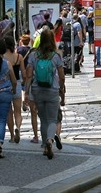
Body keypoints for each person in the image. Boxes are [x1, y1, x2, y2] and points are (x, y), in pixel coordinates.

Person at [25, 30, 65, 159]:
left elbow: (29, 75)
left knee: (42, 119)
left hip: (37, 90)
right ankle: (49, 140)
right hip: (52, 90)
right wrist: (62, 89)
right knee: (52, 119)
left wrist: (26, 91)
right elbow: (62, 76)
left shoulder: (33, 55)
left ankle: (44, 145)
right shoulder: (56, 56)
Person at [4, 36, 26, 144]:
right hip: (16, 84)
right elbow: (23, 72)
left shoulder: (2, 57)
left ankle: (12, 135)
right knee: (18, 112)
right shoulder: (19, 57)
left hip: (6, 85)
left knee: (9, 112)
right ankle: (18, 127)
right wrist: (24, 82)